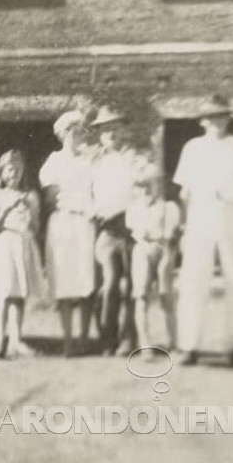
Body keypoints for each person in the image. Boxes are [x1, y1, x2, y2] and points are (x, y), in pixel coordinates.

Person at [172, 95, 233, 367]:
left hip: (231, 213)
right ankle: (189, 346)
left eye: (223, 116)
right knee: (193, 280)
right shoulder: (192, 148)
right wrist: (183, 227)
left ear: (228, 118)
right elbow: (183, 192)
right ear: (203, 121)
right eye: (213, 117)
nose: (218, 121)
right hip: (200, 215)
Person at [39, 110, 96, 357]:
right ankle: (68, 339)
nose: (75, 135)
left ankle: (84, 337)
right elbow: (51, 197)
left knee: (86, 279)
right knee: (64, 282)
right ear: (61, 134)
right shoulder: (53, 161)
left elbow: (96, 189)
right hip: (63, 224)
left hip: (85, 222)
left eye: (79, 131)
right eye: (70, 131)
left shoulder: (91, 160)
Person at [89, 105, 144, 355]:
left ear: (124, 131)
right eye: (105, 129)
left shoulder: (135, 159)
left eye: (115, 128)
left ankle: (129, 337)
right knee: (109, 284)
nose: (111, 133)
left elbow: (141, 191)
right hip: (107, 230)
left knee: (133, 284)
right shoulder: (95, 162)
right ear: (99, 134)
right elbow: (88, 194)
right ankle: (107, 337)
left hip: (131, 228)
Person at [0, 150, 47, 359]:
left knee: (19, 294)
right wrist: (6, 209)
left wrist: (30, 213)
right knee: (3, 293)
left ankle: (16, 339)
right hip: (5, 243)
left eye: (18, 169)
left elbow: (37, 228)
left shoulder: (31, 195)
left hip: (24, 242)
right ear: (2, 173)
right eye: (10, 169)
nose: (15, 174)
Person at [126, 164, 180, 355]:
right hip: (142, 251)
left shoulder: (169, 207)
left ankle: (174, 342)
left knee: (166, 296)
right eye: (142, 185)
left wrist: (166, 257)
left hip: (163, 250)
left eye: (151, 184)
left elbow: (169, 236)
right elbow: (136, 232)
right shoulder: (134, 208)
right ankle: (145, 344)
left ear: (159, 184)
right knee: (140, 297)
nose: (146, 189)